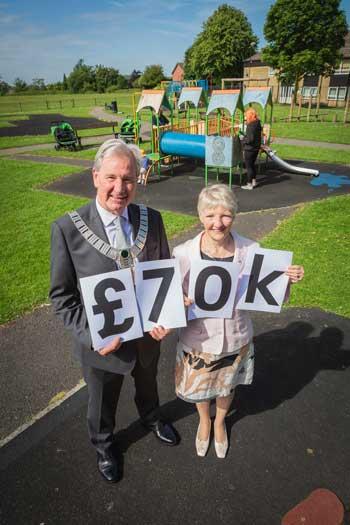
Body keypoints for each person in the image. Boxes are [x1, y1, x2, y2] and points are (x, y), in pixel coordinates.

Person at [49, 138, 179, 484]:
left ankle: (151, 418)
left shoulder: (153, 219)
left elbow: (163, 272)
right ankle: (104, 446)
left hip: (147, 337)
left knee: (149, 383)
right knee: (102, 401)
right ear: (95, 177)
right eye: (111, 178)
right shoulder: (66, 229)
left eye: (128, 179)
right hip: (104, 344)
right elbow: (62, 296)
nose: (120, 188)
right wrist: (93, 337)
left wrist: (164, 316)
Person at [173, 184, 304, 458]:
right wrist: (179, 299)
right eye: (210, 216)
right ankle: (204, 420)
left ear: (234, 215)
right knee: (202, 387)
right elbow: (168, 296)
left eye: (225, 216)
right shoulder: (183, 253)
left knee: (226, 384)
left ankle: (219, 421)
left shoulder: (252, 249)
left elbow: (268, 290)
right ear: (200, 216)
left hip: (236, 334)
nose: (218, 224)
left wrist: (286, 279)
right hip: (199, 338)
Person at [241, 108, 262, 190]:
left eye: (246, 116)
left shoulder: (250, 125)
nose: (245, 118)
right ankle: (254, 181)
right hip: (256, 148)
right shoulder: (257, 123)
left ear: (249, 116)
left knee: (249, 166)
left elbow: (250, 139)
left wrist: (243, 140)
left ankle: (249, 184)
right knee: (252, 165)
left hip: (250, 149)